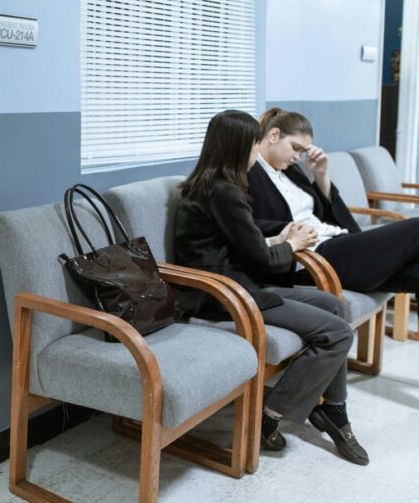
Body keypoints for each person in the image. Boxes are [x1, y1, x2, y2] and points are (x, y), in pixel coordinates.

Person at [174, 110, 369, 465]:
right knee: (338, 333)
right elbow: (262, 260)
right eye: (252, 144)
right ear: (237, 147)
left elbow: (241, 242)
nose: (255, 150)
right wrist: (291, 246)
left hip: (237, 285)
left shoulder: (212, 185)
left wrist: (280, 237)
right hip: (226, 294)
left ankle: (334, 409)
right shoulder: (224, 192)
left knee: (334, 305)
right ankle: (269, 416)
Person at [249, 107, 419, 298]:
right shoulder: (249, 172)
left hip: (334, 244)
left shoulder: (292, 171)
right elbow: (247, 225)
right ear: (273, 135)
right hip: (311, 256)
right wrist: (291, 230)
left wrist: (321, 174)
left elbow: (325, 213)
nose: (298, 156)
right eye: (295, 148)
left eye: (302, 152)